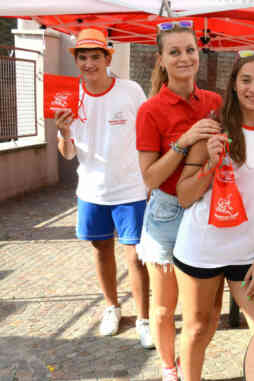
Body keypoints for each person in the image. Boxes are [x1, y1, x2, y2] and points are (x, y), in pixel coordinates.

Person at [172, 51, 254, 381]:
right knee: (200, 328)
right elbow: (184, 196)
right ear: (234, 84)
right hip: (202, 248)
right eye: (246, 80)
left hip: (250, 254)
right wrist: (209, 166)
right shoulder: (213, 128)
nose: (253, 88)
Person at [135, 20, 222, 381]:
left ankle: (190, 364)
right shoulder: (150, 110)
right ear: (161, 60)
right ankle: (170, 369)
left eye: (190, 50)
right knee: (164, 309)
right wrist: (183, 141)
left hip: (205, 208)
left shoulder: (214, 102)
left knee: (204, 310)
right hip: (168, 213)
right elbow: (150, 178)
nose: (184, 57)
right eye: (175, 52)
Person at [53, 28, 151, 345]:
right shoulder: (70, 96)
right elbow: (68, 153)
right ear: (77, 61)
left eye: (95, 56)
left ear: (107, 58)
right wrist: (64, 131)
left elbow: (148, 135)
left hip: (131, 188)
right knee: (101, 250)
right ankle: (112, 307)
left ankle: (145, 318)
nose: (89, 63)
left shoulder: (130, 90)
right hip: (92, 190)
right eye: (83, 57)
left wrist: (151, 177)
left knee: (135, 257)